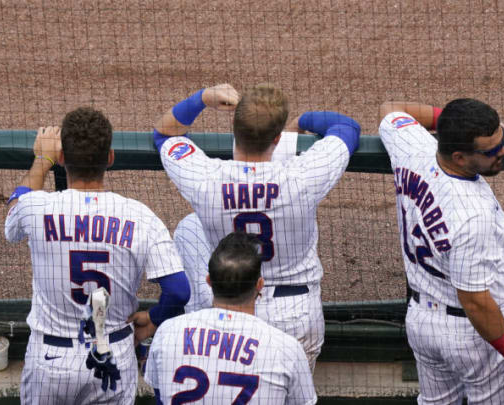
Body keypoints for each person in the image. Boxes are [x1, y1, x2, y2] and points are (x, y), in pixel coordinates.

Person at [153, 83, 361, 370]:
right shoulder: (302, 177)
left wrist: (203, 98)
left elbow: (164, 132)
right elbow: (347, 127)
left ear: (234, 132)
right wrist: (301, 122)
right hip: (296, 313)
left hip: (229, 310)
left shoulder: (206, 178)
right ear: (277, 138)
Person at [5, 107, 190, 404]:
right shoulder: (140, 216)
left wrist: (42, 161)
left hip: (51, 359)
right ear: (111, 158)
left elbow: (13, 220)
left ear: (62, 158)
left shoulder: (35, 207)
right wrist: (153, 318)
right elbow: (179, 291)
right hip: (113, 355)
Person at [378, 99, 504, 404]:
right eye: (491, 150)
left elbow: (391, 110)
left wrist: (460, 129)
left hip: (423, 323)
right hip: (473, 335)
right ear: (459, 156)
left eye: (498, 142)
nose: (503, 151)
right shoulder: (473, 215)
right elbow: (475, 301)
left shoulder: (413, 148)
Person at [144, 232, 317, 404]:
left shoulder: (168, 333)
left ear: (209, 281)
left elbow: (160, 397)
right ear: (259, 285)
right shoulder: (286, 349)